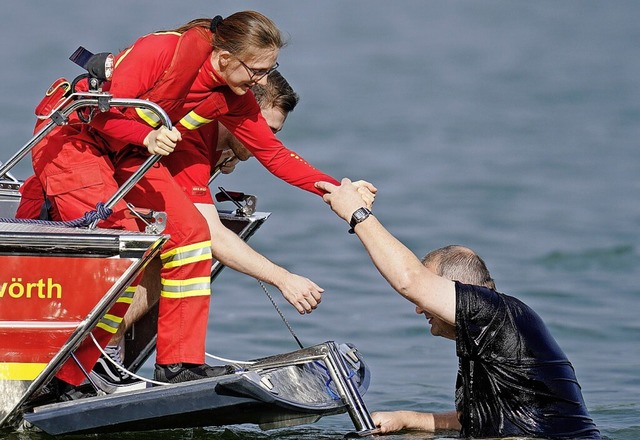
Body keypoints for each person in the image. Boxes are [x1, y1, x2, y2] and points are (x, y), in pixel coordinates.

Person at [29, 11, 375, 387]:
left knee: (192, 237)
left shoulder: (234, 98)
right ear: (226, 58)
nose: (260, 80)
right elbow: (97, 111)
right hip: (77, 139)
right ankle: (65, 376)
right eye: (256, 70)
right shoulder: (163, 50)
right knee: (125, 244)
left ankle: (179, 364)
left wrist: (337, 188)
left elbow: (275, 156)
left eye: (268, 70)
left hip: (129, 154)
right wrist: (145, 137)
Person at [92, 71, 333, 384]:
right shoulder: (191, 139)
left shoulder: (215, 142)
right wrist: (284, 279)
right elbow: (213, 236)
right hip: (96, 191)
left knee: (171, 250)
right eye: (267, 129)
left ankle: (112, 352)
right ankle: (112, 356)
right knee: (191, 243)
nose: (269, 140)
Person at [315, 178, 600, 439]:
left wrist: (356, 213)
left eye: (428, 297)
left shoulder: (495, 312)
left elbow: (410, 281)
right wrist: (404, 419)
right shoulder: (490, 335)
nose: (419, 308)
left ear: (460, 290)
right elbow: (479, 420)